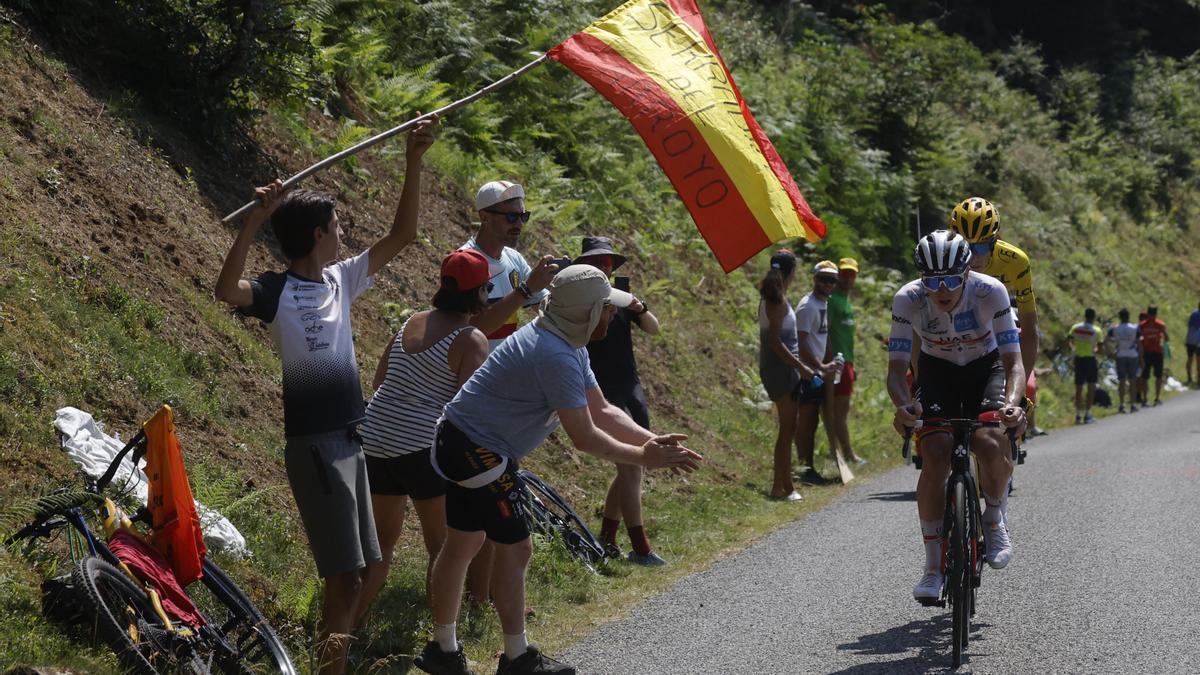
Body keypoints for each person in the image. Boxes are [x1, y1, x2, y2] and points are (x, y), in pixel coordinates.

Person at [213, 119, 437, 674]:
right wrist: (253, 225)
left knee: (358, 570)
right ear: (317, 233)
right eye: (336, 226)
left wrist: (414, 159)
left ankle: (330, 664)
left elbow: (402, 237)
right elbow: (225, 291)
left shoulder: (340, 280)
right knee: (342, 572)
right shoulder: (274, 290)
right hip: (314, 446)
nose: (343, 233)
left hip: (352, 440)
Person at [415, 265, 701, 675]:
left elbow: (602, 410)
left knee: (464, 543)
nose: (613, 316)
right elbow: (584, 437)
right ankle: (518, 660)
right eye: (606, 309)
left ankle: (442, 652)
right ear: (586, 313)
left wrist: (648, 440)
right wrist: (643, 458)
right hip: (476, 449)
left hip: (460, 439)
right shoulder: (555, 354)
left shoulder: (566, 339)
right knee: (516, 547)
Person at [886, 230, 1025, 602]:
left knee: (990, 440)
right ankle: (932, 568)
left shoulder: (990, 291)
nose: (942, 289)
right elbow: (897, 370)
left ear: (967, 272)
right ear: (921, 279)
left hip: (987, 367)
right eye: (932, 281)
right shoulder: (908, 300)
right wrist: (903, 405)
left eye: (950, 279)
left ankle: (994, 519)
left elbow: (1013, 362)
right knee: (935, 452)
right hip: (938, 370)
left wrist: (1013, 403)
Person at [353, 250, 491, 621]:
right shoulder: (470, 339)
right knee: (443, 549)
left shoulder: (412, 321)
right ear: (476, 292)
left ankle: (343, 630)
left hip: (377, 436)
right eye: (487, 287)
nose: (490, 293)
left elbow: (380, 380)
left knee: (380, 547)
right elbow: (468, 411)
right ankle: (443, 636)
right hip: (418, 446)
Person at [458, 180, 559, 605]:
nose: (519, 224)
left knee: (498, 498)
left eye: (523, 216)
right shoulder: (468, 261)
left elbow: (542, 306)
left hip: (511, 393)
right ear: (484, 216)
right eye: (510, 216)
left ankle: (496, 596)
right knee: (484, 503)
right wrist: (524, 290)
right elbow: (474, 326)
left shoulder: (515, 259)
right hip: (478, 397)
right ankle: (478, 599)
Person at [577, 236, 666, 566]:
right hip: (602, 393)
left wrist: (637, 306)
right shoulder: (580, 299)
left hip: (631, 389)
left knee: (633, 466)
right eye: (597, 261)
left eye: (608, 262)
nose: (604, 266)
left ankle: (607, 539)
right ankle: (640, 547)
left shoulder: (620, 300)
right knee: (631, 467)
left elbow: (654, 329)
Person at [949, 197, 1042, 436]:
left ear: (996, 240)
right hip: (958, 332)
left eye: (981, 248)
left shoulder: (1015, 262)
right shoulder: (943, 257)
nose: (974, 258)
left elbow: (1030, 329)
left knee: (1023, 390)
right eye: (967, 248)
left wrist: (1019, 393)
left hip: (999, 330)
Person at [757, 249, 817, 502]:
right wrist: (800, 367)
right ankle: (785, 487)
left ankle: (779, 485)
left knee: (788, 428)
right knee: (787, 429)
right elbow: (774, 341)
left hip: (782, 367)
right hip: (781, 369)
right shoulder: (775, 300)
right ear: (792, 271)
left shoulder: (774, 296)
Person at [794, 261, 841, 484]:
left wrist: (830, 360)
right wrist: (820, 366)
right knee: (806, 422)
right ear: (815, 279)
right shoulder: (807, 306)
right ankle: (805, 470)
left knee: (814, 423)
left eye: (832, 280)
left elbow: (824, 336)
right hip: (806, 374)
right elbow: (801, 343)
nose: (828, 284)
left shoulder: (823, 304)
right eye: (823, 278)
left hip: (818, 372)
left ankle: (808, 467)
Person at [825, 257, 866, 465]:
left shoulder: (845, 300)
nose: (848, 278)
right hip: (837, 364)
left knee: (841, 411)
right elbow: (827, 333)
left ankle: (841, 453)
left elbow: (845, 336)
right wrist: (832, 361)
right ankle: (844, 454)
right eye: (845, 274)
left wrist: (853, 364)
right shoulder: (832, 300)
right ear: (838, 275)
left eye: (852, 274)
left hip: (847, 363)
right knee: (838, 412)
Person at [1065, 308, 1102, 424]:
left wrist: (1072, 348)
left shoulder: (1076, 327)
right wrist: (1095, 349)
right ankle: (1088, 413)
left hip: (1079, 359)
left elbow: (1068, 341)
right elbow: (1100, 348)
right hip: (1090, 359)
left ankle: (1078, 414)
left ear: (1085, 316)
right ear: (1094, 317)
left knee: (1078, 388)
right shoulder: (1097, 330)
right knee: (1091, 386)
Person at [1108, 308, 1142, 412]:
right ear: (1128, 316)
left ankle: (1122, 404)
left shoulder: (1115, 328)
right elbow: (1139, 343)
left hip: (1120, 354)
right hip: (1132, 354)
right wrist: (1141, 356)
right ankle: (1132, 404)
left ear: (1119, 317)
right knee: (1132, 380)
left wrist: (1111, 353)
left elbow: (1106, 341)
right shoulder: (1135, 328)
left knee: (1121, 381)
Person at [1139, 305, 1170, 406]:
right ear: (1156, 314)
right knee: (1157, 376)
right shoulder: (1160, 324)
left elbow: (1138, 339)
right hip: (1156, 352)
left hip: (1147, 353)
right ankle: (1156, 398)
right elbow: (1166, 338)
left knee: (1146, 377)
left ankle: (1145, 399)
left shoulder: (1142, 325)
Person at [1186, 302, 1200, 386]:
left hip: (1190, 340)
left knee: (1190, 359)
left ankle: (1189, 378)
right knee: (1198, 360)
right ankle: (1199, 380)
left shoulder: (1193, 313)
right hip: (1198, 341)